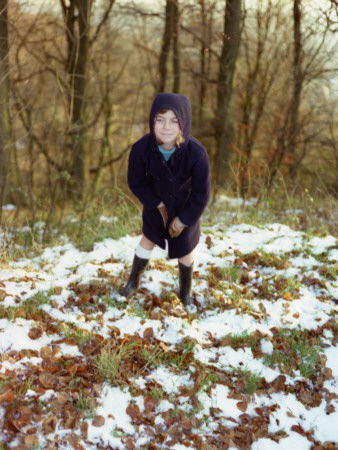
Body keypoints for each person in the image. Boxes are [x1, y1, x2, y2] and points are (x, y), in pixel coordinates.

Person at [120, 92, 210, 306]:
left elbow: (201, 193)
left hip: (186, 207)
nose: (166, 127)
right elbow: (136, 181)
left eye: (174, 121)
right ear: (152, 121)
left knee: (185, 248)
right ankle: (133, 281)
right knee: (148, 238)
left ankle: (185, 293)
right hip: (156, 203)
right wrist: (156, 204)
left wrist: (183, 219)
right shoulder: (142, 149)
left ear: (184, 124)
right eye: (160, 120)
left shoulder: (196, 154)